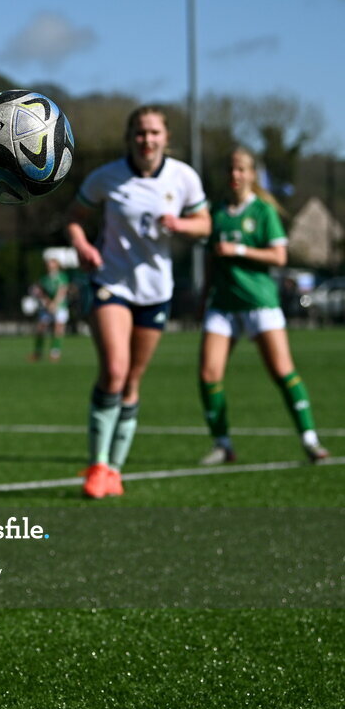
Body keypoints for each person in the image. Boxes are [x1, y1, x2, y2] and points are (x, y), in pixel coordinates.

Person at [66, 105, 210, 499]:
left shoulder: (184, 178)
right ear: (130, 138)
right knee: (114, 369)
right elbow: (75, 216)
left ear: (166, 137)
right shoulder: (107, 177)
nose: (147, 140)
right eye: (140, 133)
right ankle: (96, 466)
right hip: (111, 284)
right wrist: (81, 244)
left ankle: (115, 470)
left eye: (154, 133)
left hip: (156, 292)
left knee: (131, 381)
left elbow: (205, 225)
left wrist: (182, 225)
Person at [198, 147, 329, 465]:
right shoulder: (215, 211)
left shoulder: (262, 212)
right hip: (223, 306)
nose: (235, 175)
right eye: (231, 169)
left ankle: (310, 440)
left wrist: (239, 249)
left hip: (260, 304)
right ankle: (223, 443)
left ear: (252, 175)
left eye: (241, 169)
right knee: (208, 374)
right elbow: (213, 260)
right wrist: (206, 292)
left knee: (283, 372)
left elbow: (279, 257)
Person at [30, 256, 70, 361]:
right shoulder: (44, 278)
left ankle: (55, 353)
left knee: (58, 328)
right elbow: (41, 292)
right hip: (47, 306)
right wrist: (48, 303)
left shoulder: (62, 276)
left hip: (60, 306)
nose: (49, 266)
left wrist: (55, 304)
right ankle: (38, 352)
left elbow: (62, 291)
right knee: (41, 328)